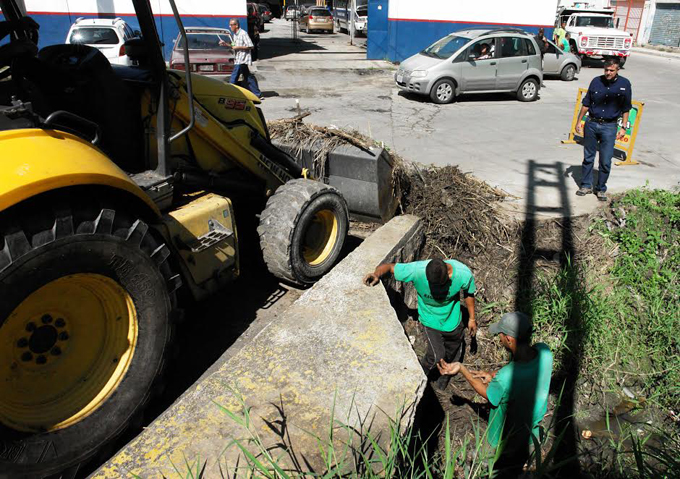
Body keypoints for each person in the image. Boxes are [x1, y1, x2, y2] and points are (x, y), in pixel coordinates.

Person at [438, 312, 553, 478]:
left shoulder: (506, 376)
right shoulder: (545, 352)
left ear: (509, 339)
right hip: (530, 435)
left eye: (500, 335)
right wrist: (493, 375)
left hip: (500, 439)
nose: (499, 338)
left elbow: (488, 394)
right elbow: (524, 370)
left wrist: (462, 369)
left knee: (488, 466)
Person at [364, 258, 476, 390]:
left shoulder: (462, 274)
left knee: (452, 353)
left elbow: (469, 293)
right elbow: (389, 267)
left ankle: (443, 380)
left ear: (448, 276)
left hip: (452, 321)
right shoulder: (417, 270)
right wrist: (376, 274)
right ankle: (420, 379)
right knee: (435, 355)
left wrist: (472, 318)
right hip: (429, 321)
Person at [574, 58, 632, 201]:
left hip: (610, 126)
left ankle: (600, 188)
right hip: (592, 124)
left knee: (605, 160)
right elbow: (586, 103)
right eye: (606, 70)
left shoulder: (625, 84)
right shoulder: (596, 81)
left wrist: (623, 127)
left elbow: (626, 108)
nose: (608, 73)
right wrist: (578, 122)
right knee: (588, 157)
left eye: (611, 70)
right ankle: (586, 185)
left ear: (617, 70)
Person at [220, 18, 262, 99]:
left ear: (236, 25)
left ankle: (229, 94)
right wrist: (225, 44)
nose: (230, 27)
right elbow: (233, 46)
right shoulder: (235, 34)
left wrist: (238, 47)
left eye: (231, 25)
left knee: (233, 78)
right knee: (248, 77)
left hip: (242, 59)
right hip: (238, 58)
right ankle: (257, 94)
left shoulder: (243, 34)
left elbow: (251, 46)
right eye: (230, 25)